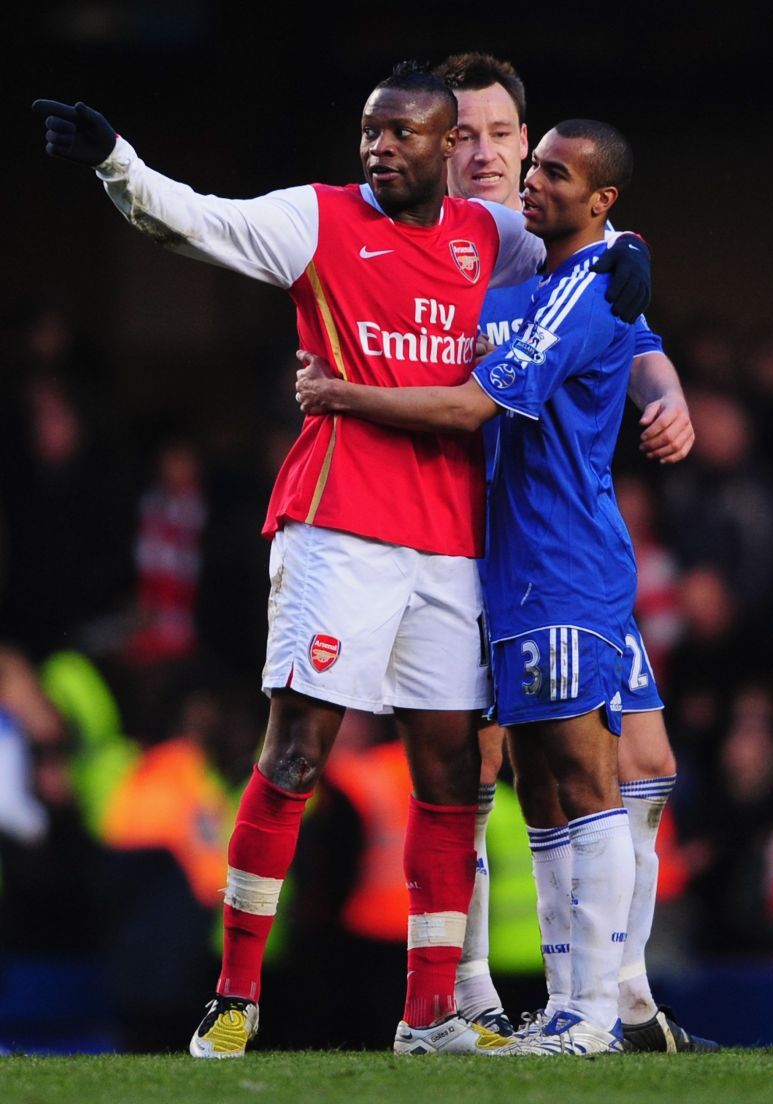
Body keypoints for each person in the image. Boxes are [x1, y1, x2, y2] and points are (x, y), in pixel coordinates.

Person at [32, 63, 652, 1058]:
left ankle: (430, 1017)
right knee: (294, 754)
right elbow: (194, 222)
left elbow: (588, 246)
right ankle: (233, 998)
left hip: (450, 541)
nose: (379, 147)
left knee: (452, 775)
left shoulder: (488, 237)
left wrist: (631, 256)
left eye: (403, 133)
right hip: (338, 528)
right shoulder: (316, 219)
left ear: (448, 150)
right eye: (370, 130)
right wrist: (117, 163)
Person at [295, 117, 699, 1056]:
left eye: (546, 166)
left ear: (595, 198)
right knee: (547, 788)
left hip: (563, 563)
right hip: (504, 567)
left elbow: (480, 402)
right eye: (533, 165)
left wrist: (341, 394)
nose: (525, 177)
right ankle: (570, 1006)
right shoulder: (523, 279)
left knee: (601, 775)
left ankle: (602, 1010)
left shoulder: (586, 282)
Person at [429, 52, 716, 1053]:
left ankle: (603, 1000)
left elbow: (610, 308)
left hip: (559, 556)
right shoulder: (459, 246)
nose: (490, 155)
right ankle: (528, 998)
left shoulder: (580, 262)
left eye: (504, 138)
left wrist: (663, 388)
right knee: (520, 779)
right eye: (464, 135)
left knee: (624, 766)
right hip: (489, 552)